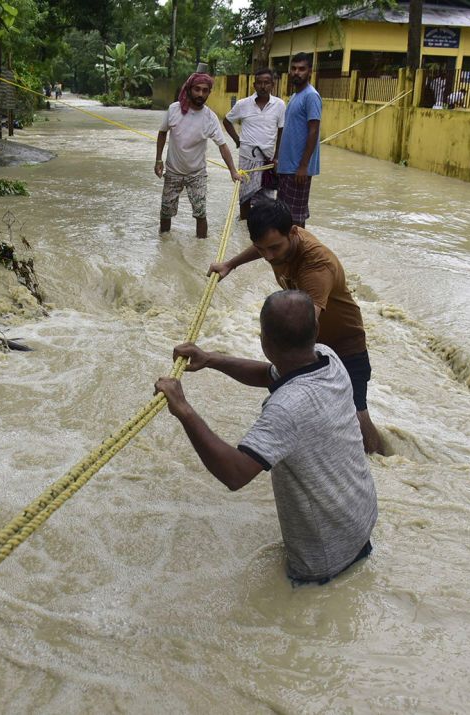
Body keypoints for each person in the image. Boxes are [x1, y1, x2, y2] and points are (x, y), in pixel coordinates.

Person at [154, 290, 377, 584]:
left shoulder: (286, 407)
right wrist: (210, 360)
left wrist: (183, 409)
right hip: (361, 521)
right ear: (315, 331)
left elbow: (234, 473)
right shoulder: (328, 357)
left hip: (323, 559)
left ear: (264, 342)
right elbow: (268, 375)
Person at [208, 198, 386, 455]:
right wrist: (230, 265)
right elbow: (264, 246)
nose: (268, 257)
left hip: (345, 342)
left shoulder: (315, 265)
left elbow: (306, 322)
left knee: (356, 410)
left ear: (293, 233)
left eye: (274, 248)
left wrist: (287, 358)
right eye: (262, 249)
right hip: (314, 342)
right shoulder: (280, 239)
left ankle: (380, 461)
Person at [156, 71, 242, 238]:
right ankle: (164, 244)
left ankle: (201, 246)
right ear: (189, 89)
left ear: (209, 93)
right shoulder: (174, 110)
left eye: (205, 90)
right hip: (173, 172)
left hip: (197, 174)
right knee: (166, 212)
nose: (200, 94)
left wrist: (233, 171)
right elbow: (162, 133)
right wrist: (158, 159)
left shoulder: (210, 118)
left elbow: (223, 146)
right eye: (197, 89)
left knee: (200, 213)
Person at [223, 68, 285, 220]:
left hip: (268, 160)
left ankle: (262, 228)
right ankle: (244, 224)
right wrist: (237, 140)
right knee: (245, 197)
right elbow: (227, 121)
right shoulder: (242, 104)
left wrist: (277, 158)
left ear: (273, 85)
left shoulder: (280, 105)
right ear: (254, 85)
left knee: (268, 201)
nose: (263, 86)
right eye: (260, 83)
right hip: (246, 159)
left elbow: (281, 131)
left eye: (267, 83)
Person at [274, 52, 321, 228]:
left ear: (310, 71)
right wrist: (279, 159)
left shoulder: (311, 96)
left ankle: (300, 254)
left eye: (301, 69)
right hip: (288, 168)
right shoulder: (295, 97)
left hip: (298, 170)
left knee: (295, 219)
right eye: (293, 69)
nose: (296, 72)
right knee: (284, 216)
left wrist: (303, 166)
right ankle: (288, 255)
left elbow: (314, 130)